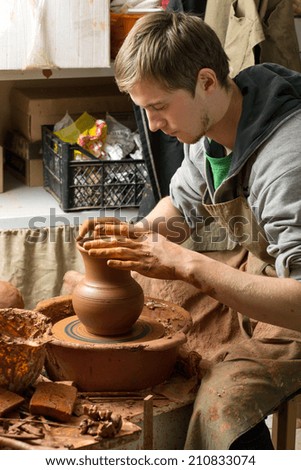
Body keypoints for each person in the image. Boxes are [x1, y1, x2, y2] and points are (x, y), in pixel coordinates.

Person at [77, 11, 301, 450]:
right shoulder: (217, 121)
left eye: (159, 107)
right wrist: (132, 238)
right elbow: (180, 207)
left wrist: (187, 264)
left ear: (206, 81)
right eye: (146, 110)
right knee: (142, 297)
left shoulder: (287, 161)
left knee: (222, 402)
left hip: (292, 309)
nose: (155, 124)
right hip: (262, 270)